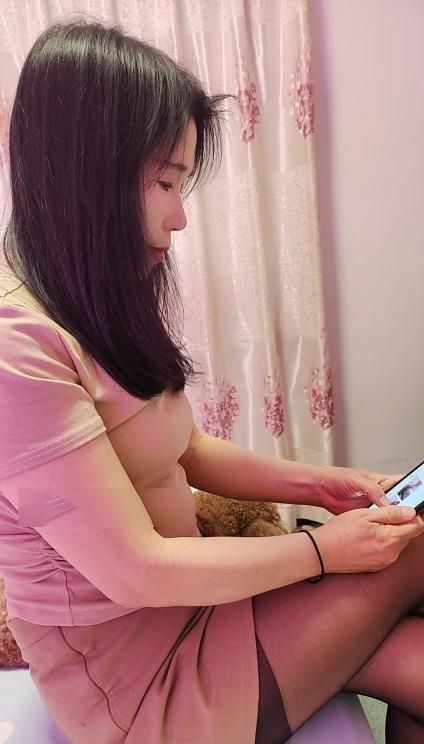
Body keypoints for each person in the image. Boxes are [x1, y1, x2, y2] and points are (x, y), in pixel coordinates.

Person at [0, 19, 423, 744]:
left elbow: (187, 449)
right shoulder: (17, 349)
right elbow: (136, 571)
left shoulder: (94, 296)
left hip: (199, 609)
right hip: (139, 684)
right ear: (86, 170)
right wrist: (324, 551)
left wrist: (322, 485)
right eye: (165, 182)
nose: (179, 216)